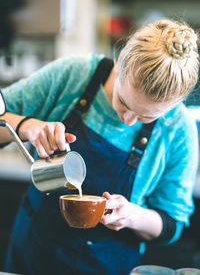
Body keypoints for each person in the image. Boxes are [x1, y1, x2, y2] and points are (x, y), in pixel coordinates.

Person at [0, 19, 199, 275]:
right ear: (119, 62)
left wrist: (131, 215)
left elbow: (171, 224)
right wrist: (26, 126)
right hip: (32, 256)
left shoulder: (179, 132)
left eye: (146, 117)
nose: (128, 121)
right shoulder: (75, 75)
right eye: (123, 103)